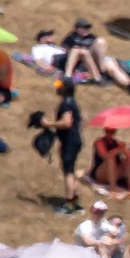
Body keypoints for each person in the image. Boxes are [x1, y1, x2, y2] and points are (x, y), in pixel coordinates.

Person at [48, 80, 83, 215]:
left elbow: (66, 123)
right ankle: (75, 202)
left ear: (66, 89)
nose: (57, 88)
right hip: (74, 141)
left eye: (60, 87)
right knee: (71, 171)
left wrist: (48, 124)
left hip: (70, 142)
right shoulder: (72, 102)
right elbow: (81, 120)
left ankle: (69, 205)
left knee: (68, 172)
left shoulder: (66, 103)